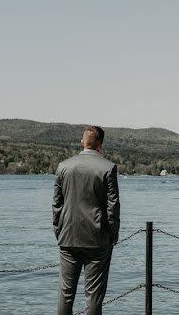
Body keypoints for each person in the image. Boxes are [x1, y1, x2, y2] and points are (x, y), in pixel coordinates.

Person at [53, 125, 121, 315]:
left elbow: (56, 204)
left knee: (65, 295)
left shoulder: (63, 166)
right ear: (101, 145)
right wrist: (112, 235)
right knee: (93, 297)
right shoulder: (108, 168)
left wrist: (59, 230)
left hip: (68, 237)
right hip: (98, 239)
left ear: (82, 142)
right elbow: (113, 207)